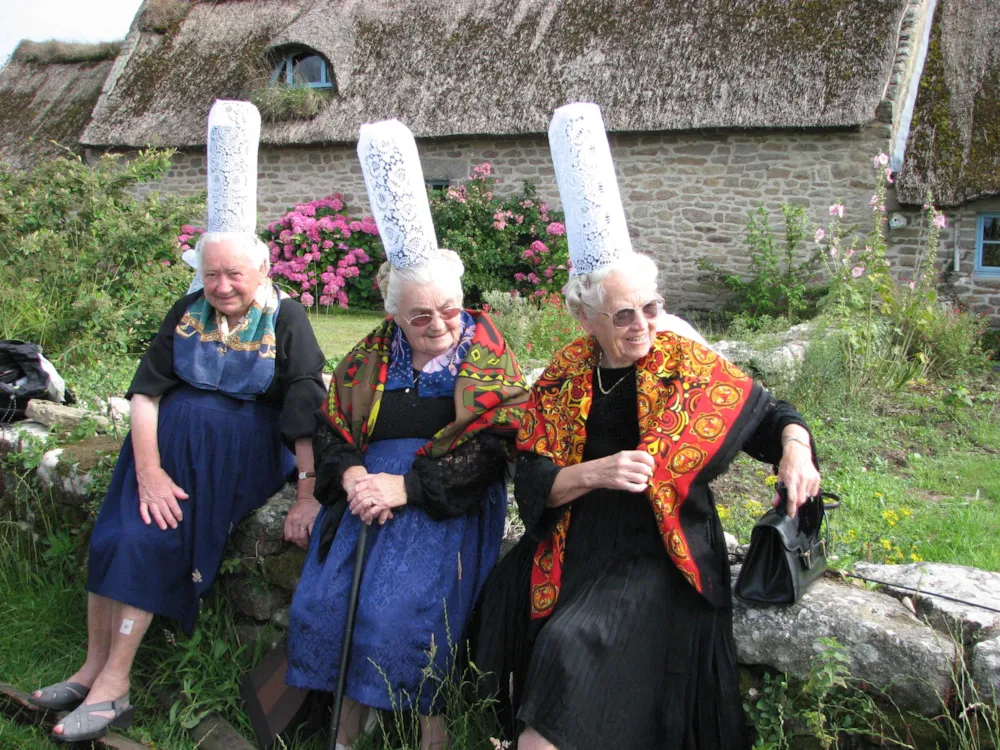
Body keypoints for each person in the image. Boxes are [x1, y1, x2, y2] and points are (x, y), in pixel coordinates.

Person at [474, 103, 821, 750]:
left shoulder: (683, 358)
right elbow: (534, 481)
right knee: (506, 596)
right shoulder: (565, 374)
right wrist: (597, 472)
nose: (643, 326)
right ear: (587, 320)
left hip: (662, 545)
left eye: (652, 308)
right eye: (624, 315)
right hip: (581, 531)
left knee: (576, 641)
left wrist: (796, 450)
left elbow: (766, 414)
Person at [30, 101, 327, 743]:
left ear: (263, 271)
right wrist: (148, 469)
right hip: (161, 455)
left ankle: (115, 687)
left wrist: (306, 491)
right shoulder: (186, 309)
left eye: (234, 274)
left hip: (235, 453)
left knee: (149, 542)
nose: (221, 285)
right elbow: (146, 393)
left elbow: (304, 403)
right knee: (114, 536)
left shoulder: (288, 318)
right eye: (210, 272)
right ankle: (88, 668)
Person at [285, 120, 529, 750]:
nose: (440, 323)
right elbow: (332, 427)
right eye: (420, 315)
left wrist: (408, 487)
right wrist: (353, 476)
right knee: (324, 605)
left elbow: (496, 446)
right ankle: (344, 729)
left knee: (399, 615)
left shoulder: (486, 355)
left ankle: (432, 737)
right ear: (393, 314)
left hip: (441, 504)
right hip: (367, 495)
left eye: (449, 308)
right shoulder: (368, 355)